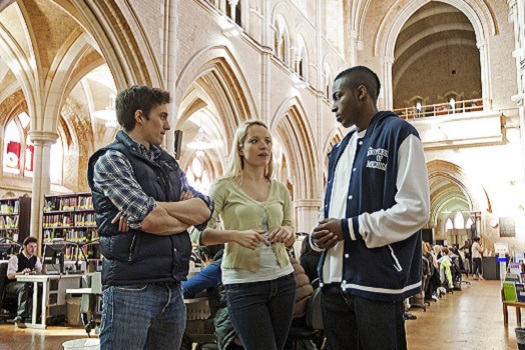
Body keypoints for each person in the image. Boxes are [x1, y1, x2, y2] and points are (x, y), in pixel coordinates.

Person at [310, 66, 430, 350]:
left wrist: (350, 228)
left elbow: (416, 208)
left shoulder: (399, 133)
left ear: (361, 92)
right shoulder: (339, 151)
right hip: (333, 281)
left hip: (375, 281)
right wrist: (319, 236)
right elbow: (329, 210)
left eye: (338, 96)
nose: (333, 106)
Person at [87, 85, 213, 350]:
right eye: (163, 116)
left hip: (172, 287)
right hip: (130, 289)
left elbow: (204, 209)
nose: (168, 125)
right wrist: (179, 217)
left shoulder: (167, 163)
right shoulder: (111, 160)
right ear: (140, 116)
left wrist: (154, 207)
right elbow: (150, 220)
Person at [196, 120, 296, 350]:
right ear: (240, 148)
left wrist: (287, 232)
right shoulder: (223, 186)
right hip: (244, 284)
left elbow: (290, 225)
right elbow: (198, 233)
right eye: (255, 141)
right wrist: (234, 236)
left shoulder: (279, 188)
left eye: (268, 141)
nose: (264, 146)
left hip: (283, 281)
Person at [6, 236, 44, 328]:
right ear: (24, 246)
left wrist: (45, 262)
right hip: (12, 284)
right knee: (24, 287)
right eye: (31, 246)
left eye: (35, 247)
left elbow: (40, 272)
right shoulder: (15, 258)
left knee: (40, 288)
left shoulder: (35, 259)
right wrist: (21, 273)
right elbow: (10, 276)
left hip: (27, 284)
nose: (33, 249)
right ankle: (20, 317)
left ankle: (34, 316)